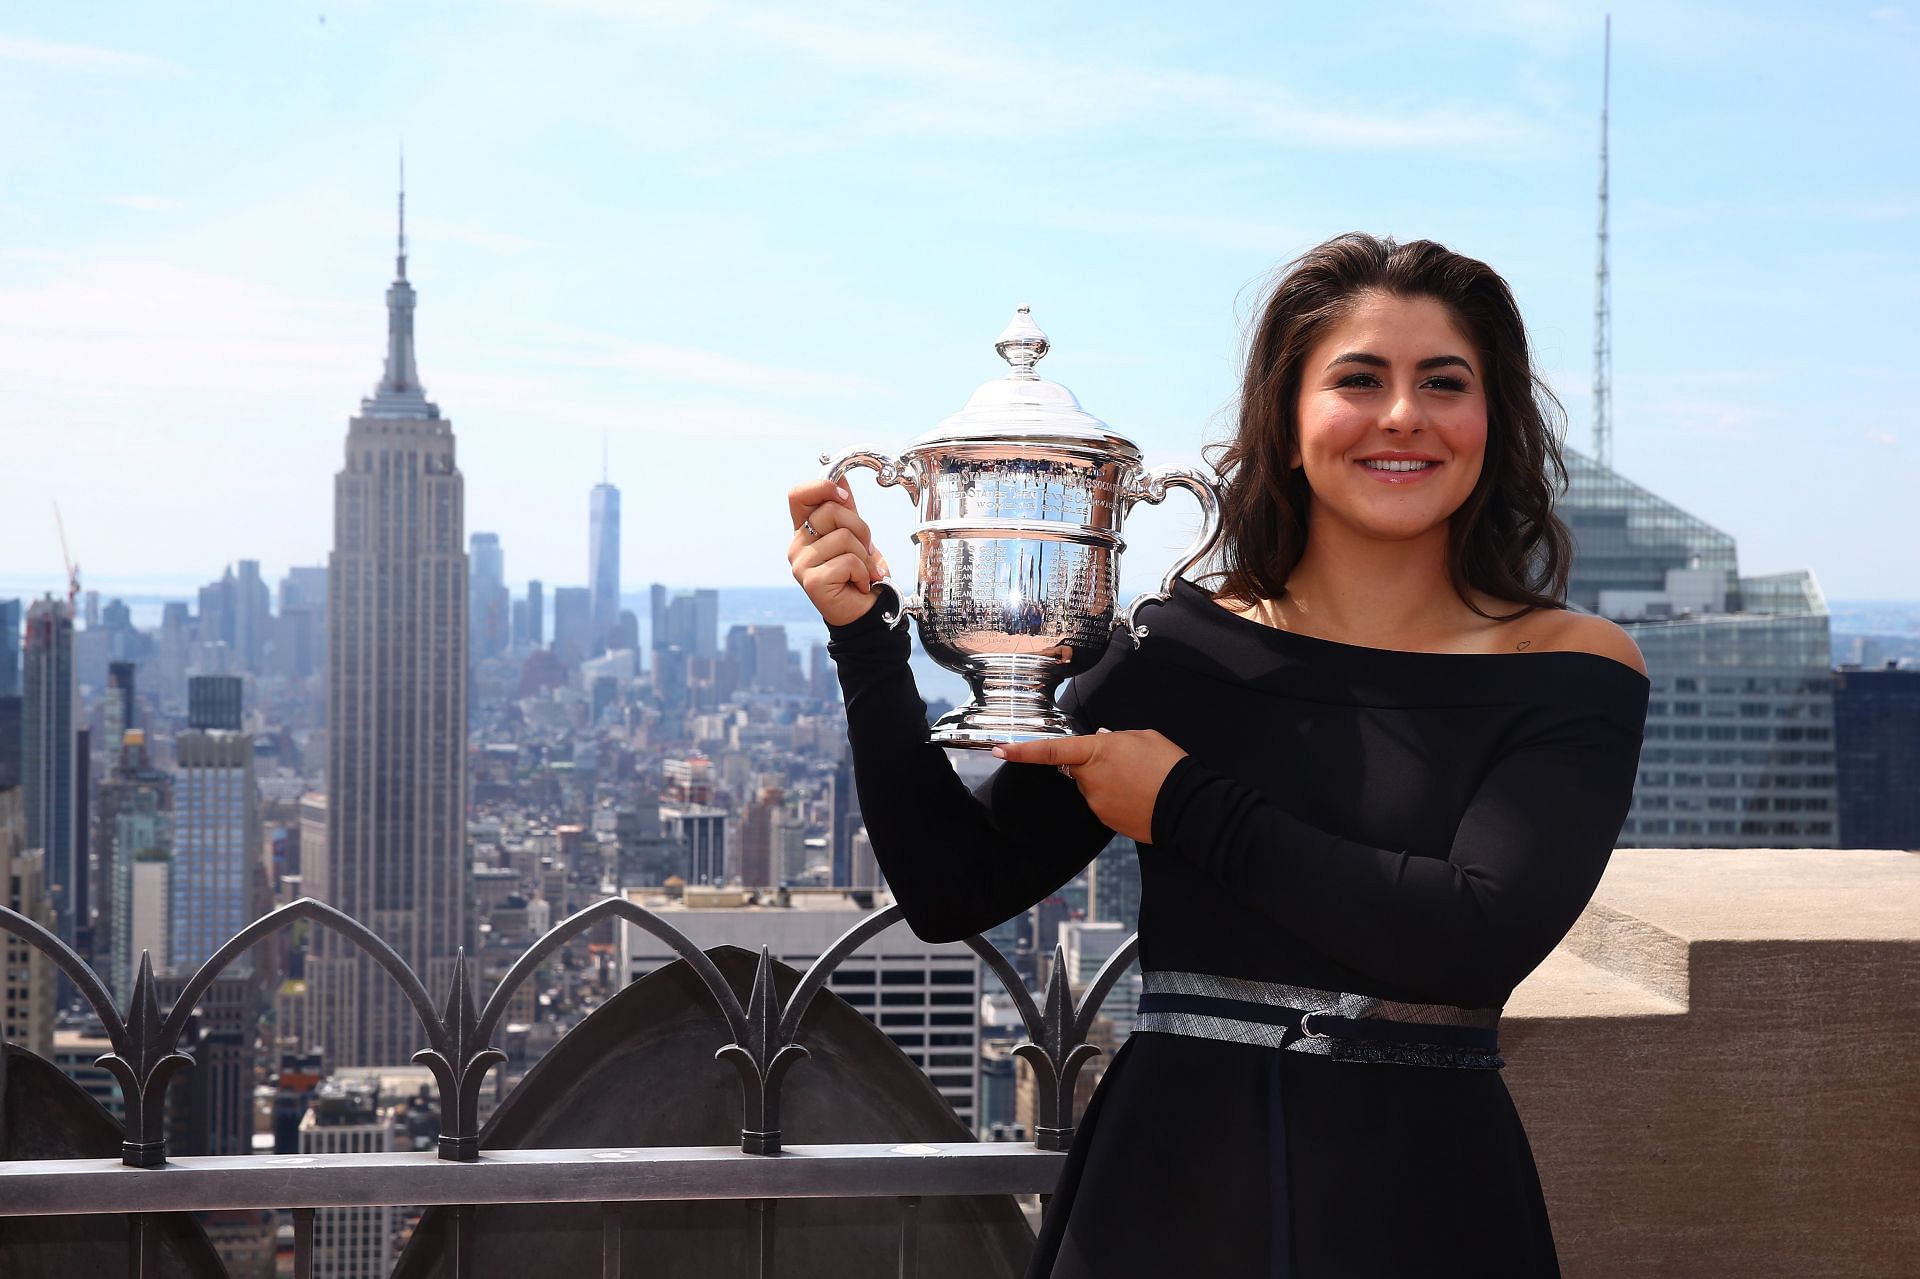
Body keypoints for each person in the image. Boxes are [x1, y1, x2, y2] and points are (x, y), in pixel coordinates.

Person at [786, 233, 1648, 1278]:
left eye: (1444, 383)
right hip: (1166, 1198)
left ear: (1491, 422)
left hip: (1427, 1206)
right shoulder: (1177, 648)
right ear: (1287, 425)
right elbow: (953, 885)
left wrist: (1184, 802)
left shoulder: (1570, 668)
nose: (1403, 415)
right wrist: (869, 640)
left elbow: (1470, 938)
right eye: (1359, 379)